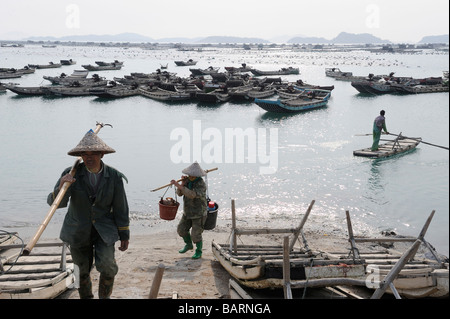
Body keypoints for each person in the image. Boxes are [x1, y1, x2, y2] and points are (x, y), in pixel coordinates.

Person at [47, 130, 130, 299]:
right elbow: (56, 204)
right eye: (85, 154)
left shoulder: (114, 177)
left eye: (94, 154)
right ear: (81, 156)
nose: (89, 158)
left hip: (104, 230)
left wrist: (124, 234)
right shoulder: (71, 173)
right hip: (77, 230)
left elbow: (121, 208)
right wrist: (62, 186)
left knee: (107, 267)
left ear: (102, 155)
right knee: (81, 271)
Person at [170, 162, 207, 259]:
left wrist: (179, 186)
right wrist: (182, 184)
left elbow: (192, 195)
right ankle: (188, 244)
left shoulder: (201, 184)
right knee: (181, 230)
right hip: (187, 212)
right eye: (189, 175)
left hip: (199, 213)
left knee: (196, 234)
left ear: (196, 176)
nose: (190, 176)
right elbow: (179, 194)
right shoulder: (187, 182)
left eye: (192, 175)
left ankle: (198, 251)